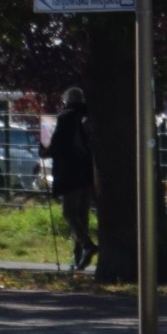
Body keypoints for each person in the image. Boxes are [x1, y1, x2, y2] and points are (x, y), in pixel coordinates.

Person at [45, 86, 96, 272]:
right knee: (82, 214)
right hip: (88, 172)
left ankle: (86, 245)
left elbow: (56, 146)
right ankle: (79, 256)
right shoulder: (90, 115)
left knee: (69, 212)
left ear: (67, 100)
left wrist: (44, 150)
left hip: (70, 173)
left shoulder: (65, 117)